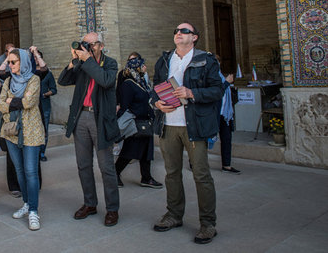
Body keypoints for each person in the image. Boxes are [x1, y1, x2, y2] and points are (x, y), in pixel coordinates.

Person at [151, 22, 225, 244]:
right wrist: (157, 104)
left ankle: (208, 223)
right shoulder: (164, 60)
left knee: (201, 175)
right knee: (172, 173)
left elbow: (218, 89)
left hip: (194, 125)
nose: (178, 33)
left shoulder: (206, 60)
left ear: (194, 37)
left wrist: (192, 92)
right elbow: (154, 87)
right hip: (169, 124)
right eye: (176, 30)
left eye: (184, 31)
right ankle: (173, 215)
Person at [58, 32, 121, 227]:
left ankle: (112, 209)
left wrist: (87, 60)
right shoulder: (82, 63)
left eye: (93, 44)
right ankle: (90, 203)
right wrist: (74, 60)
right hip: (81, 117)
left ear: (101, 45)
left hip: (100, 119)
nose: (89, 48)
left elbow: (106, 81)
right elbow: (63, 80)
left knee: (106, 167)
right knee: (83, 165)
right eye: (86, 44)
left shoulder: (110, 63)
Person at [0, 48, 44, 231]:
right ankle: (26, 203)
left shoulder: (34, 79)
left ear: (23, 62)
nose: (10, 65)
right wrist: (14, 101)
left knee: (30, 171)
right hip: (11, 131)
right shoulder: (8, 80)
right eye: (9, 62)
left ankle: (33, 210)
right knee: (19, 170)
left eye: (13, 62)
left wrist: (11, 101)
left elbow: (29, 102)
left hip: (31, 131)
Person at [115, 53, 162, 189]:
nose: (145, 67)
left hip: (146, 122)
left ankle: (146, 178)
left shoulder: (141, 82)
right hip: (135, 124)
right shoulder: (128, 85)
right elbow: (125, 106)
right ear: (136, 68)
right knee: (130, 151)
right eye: (142, 65)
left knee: (146, 152)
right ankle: (115, 172)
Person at [215, 55, 240, 174]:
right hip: (214, 113)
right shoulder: (211, 76)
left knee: (226, 139)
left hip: (225, 114)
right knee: (204, 140)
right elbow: (215, 91)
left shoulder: (219, 75)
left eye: (218, 61)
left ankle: (227, 165)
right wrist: (226, 82)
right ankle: (194, 162)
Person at [37, 52, 57, 162]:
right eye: (34, 57)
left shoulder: (48, 74)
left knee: (44, 131)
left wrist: (44, 94)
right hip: (32, 107)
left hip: (44, 106)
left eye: (37, 57)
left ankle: (41, 153)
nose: (35, 59)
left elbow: (54, 89)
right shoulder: (29, 72)